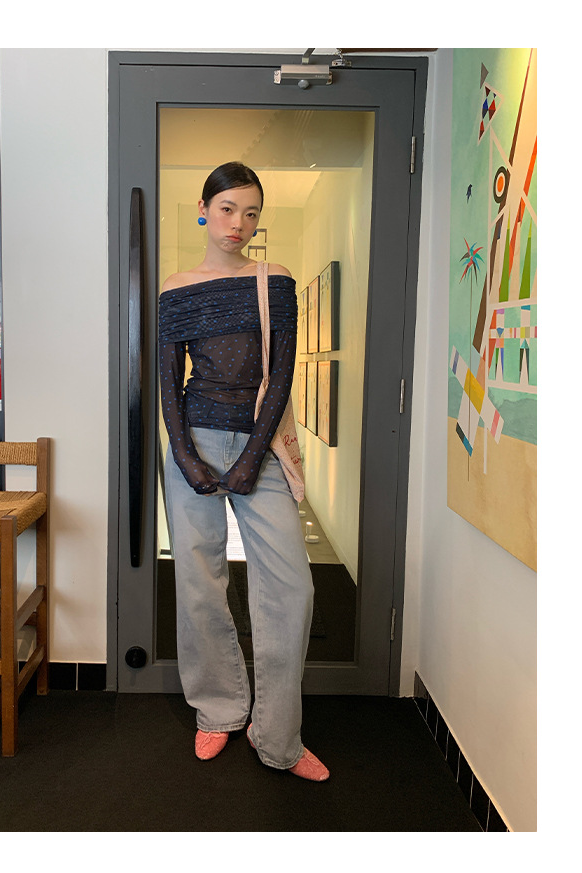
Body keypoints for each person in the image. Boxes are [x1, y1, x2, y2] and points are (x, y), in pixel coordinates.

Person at [158, 161, 329, 781]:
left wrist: (254, 456)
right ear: (204, 210)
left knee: (290, 587)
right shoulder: (177, 288)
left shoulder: (273, 280)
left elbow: (280, 375)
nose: (239, 223)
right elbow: (168, 382)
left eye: (251, 212)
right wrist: (185, 456)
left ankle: (277, 735)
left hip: (262, 444)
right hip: (195, 441)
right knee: (199, 581)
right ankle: (219, 709)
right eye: (228, 209)